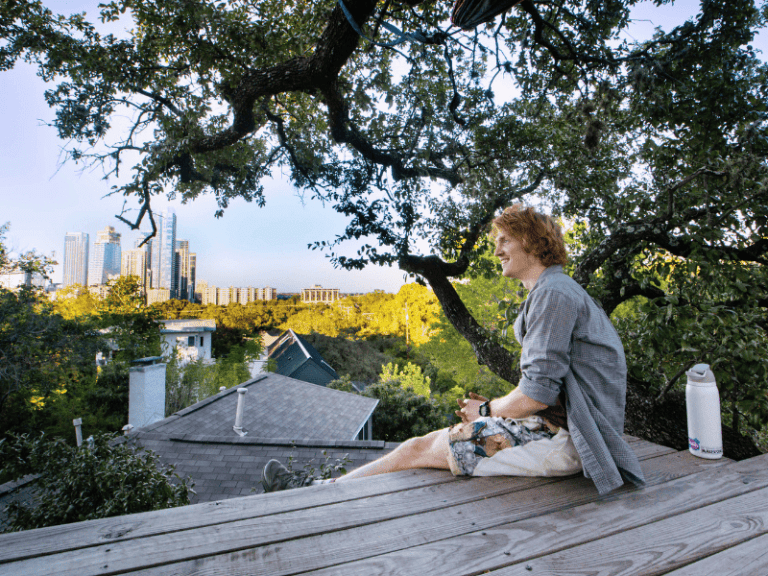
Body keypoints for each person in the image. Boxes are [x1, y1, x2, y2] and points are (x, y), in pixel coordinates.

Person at [262, 205, 645, 495]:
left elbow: (536, 392)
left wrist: (487, 410)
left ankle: (313, 494)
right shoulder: (554, 292)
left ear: (530, 241)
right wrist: (491, 410)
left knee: (415, 450)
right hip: (559, 429)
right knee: (422, 448)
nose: (497, 250)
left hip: (569, 441)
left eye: (505, 240)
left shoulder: (554, 295)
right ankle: (318, 487)